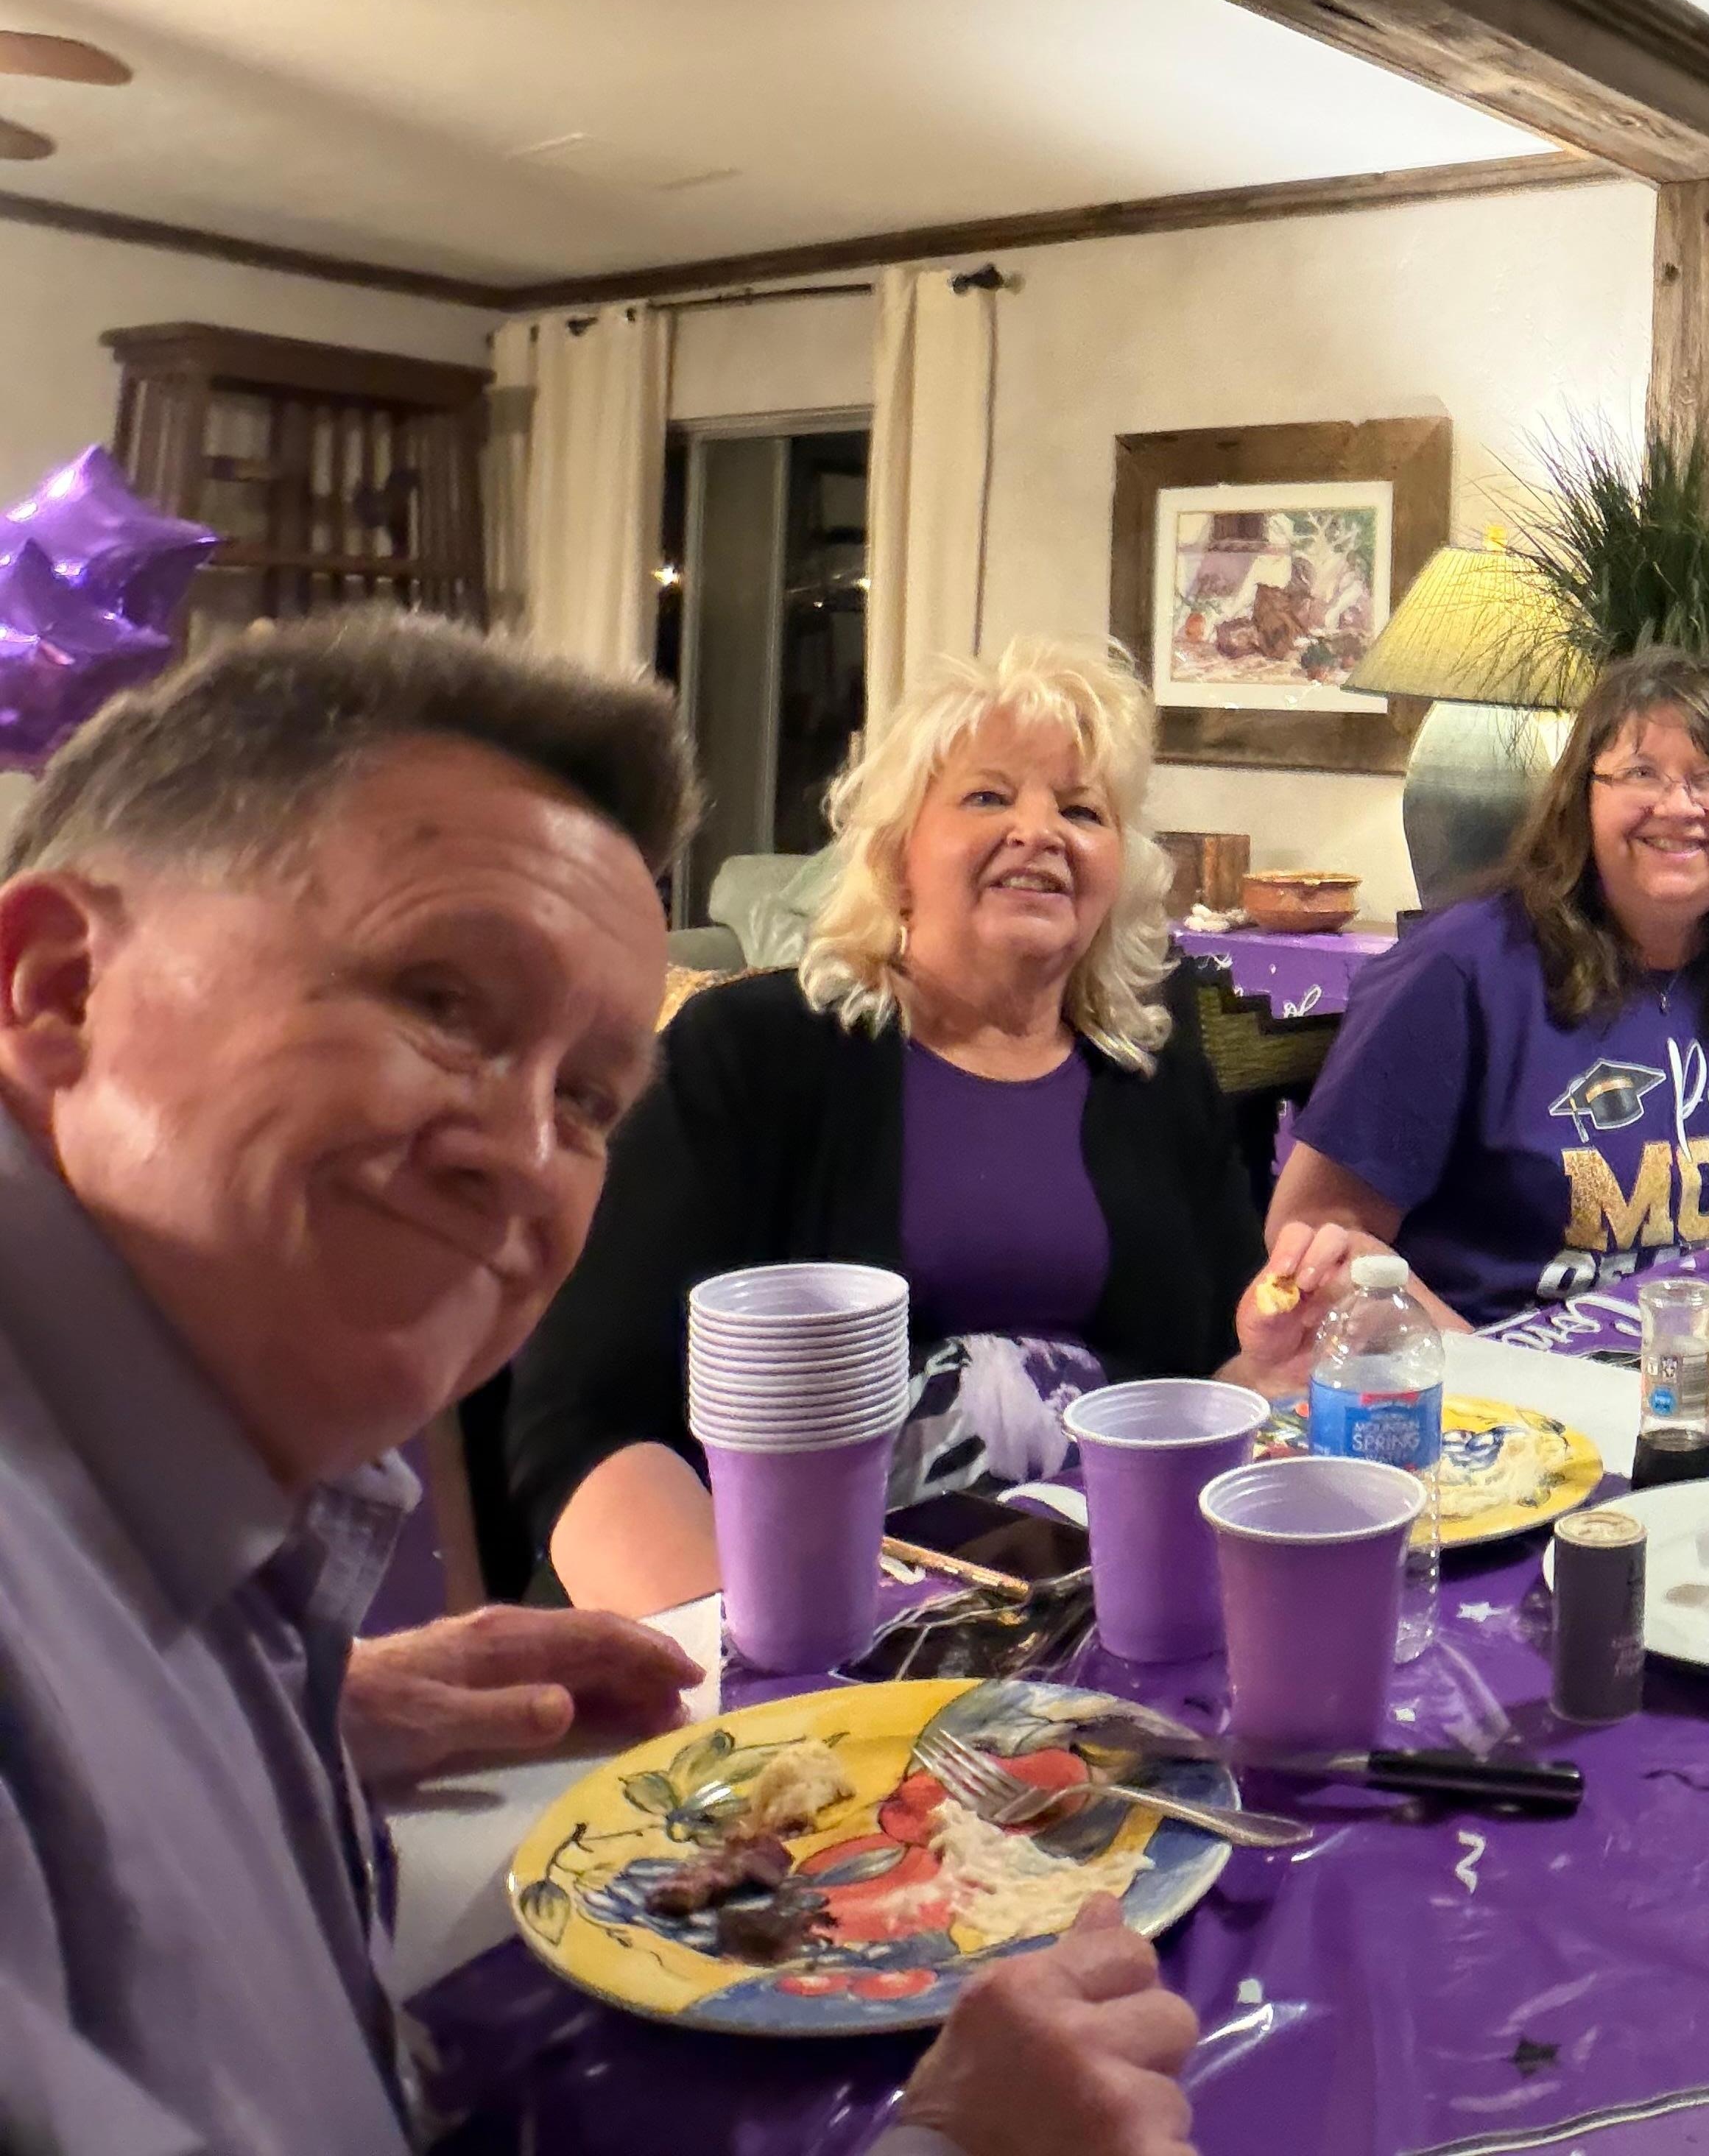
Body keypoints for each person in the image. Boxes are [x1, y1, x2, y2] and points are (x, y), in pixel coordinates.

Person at [0, 613, 1197, 2156]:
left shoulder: (214, 1550)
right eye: (440, 1000)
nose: (518, 1156)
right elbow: (592, 1417)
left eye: (584, 1095)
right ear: (52, 990)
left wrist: (299, 1708)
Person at [511, 636, 1392, 1618]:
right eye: (987, 798)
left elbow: (1197, 1385)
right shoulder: (750, 1056)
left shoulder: (1155, 1072)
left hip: (1096, 1617)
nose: (1039, 831)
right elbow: (586, 1418)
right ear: (895, 855)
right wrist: (757, 1679)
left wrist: (1262, 1363)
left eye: (1081, 809)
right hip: (779, 1623)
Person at [1272, 649, 1709, 1319]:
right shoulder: (1457, 970)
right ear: (1580, 799)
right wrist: (1479, 1370)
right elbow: (1319, 1238)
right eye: (1640, 772)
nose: (1679, 807)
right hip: (1509, 1391)